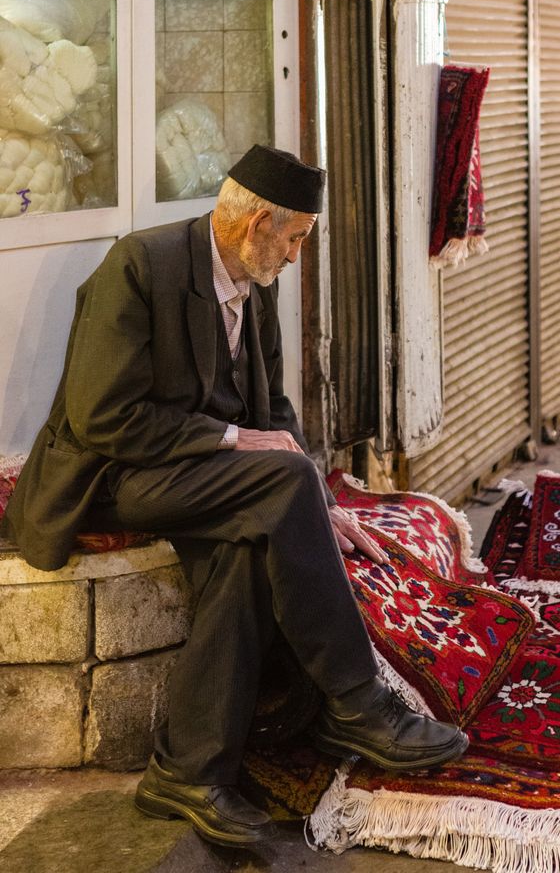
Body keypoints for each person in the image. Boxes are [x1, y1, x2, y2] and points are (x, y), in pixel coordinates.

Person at [2, 144, 468, 847]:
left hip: (192, 475)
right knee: (279, 483)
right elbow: (103, 418)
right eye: (296, 237)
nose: (295, 254)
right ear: (256, 224)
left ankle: (187, 772)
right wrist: (231, 441)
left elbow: (271, 413)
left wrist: (315, 500)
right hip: (112, 477)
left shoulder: (256, 282)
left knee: (254, 540)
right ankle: (354, 702)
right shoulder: (140, 266)